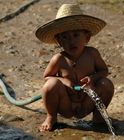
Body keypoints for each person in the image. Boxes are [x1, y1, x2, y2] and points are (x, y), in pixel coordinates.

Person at [35, 3, 114, 131]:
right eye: (65, 37)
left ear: (87, 38)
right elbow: (47, 76)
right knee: (50, 85)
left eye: (76, 35)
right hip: (66, 104)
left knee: (106, 83)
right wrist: (63, 80)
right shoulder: (59, 59)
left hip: (87, 101)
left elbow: (104, 71)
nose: (71, 41)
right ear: (59, 42)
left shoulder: (92, 54)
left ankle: (99, 117)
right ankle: (51, 117)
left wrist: (92, 78)